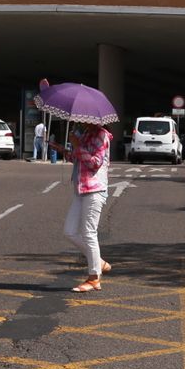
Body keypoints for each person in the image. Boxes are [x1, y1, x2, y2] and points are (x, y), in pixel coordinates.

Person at [48, 122, 112, 292]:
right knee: (69, 231)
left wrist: (77, 145)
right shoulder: (85, 134)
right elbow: (77, 158)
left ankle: (94, 278)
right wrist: (63, 150)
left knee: (89, 233)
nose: (79, 122)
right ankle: (98, 262)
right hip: (81, 189)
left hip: (95, 189)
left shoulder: (101, 136)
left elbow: (94, 163)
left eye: (83, 119)